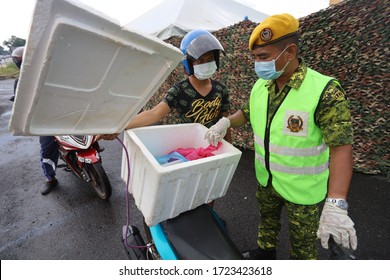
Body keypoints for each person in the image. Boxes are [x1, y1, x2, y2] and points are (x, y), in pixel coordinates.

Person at [205, 14, 357, 260]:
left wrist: (337, 201)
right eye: (254, 58)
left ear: (290, 52)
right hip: (267, 180)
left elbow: (341, 147)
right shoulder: (262, 85)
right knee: (267, 225)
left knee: (303, 247)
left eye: (263, 57)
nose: (257, 64)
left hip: (303, 191)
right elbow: (247, 112)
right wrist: (226, 122)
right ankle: (265, 254)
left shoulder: (325, 90)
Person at [101, 29, 231, 142]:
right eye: (199, 60)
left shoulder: (221, 90)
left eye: (210, 59)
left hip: (214, 145)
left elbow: (224, 122)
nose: (206, 63)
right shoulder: (179, 90)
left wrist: (230, 147)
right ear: (188, 64)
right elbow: (154, 113)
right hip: (190, 145)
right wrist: (119, 126)